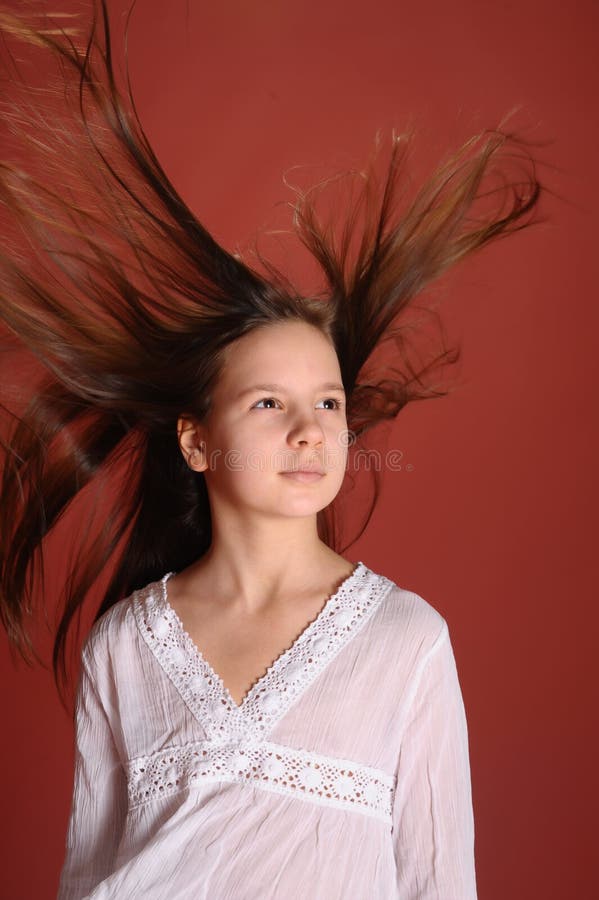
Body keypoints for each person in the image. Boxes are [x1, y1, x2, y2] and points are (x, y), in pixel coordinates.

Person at [0, 3, 541, 898]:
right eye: (268, 403)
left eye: (328, 402)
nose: (310, 430)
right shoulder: (123, 649)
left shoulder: (405, 642)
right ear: (196, 441)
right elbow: (86, 872)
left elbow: (439, 880)